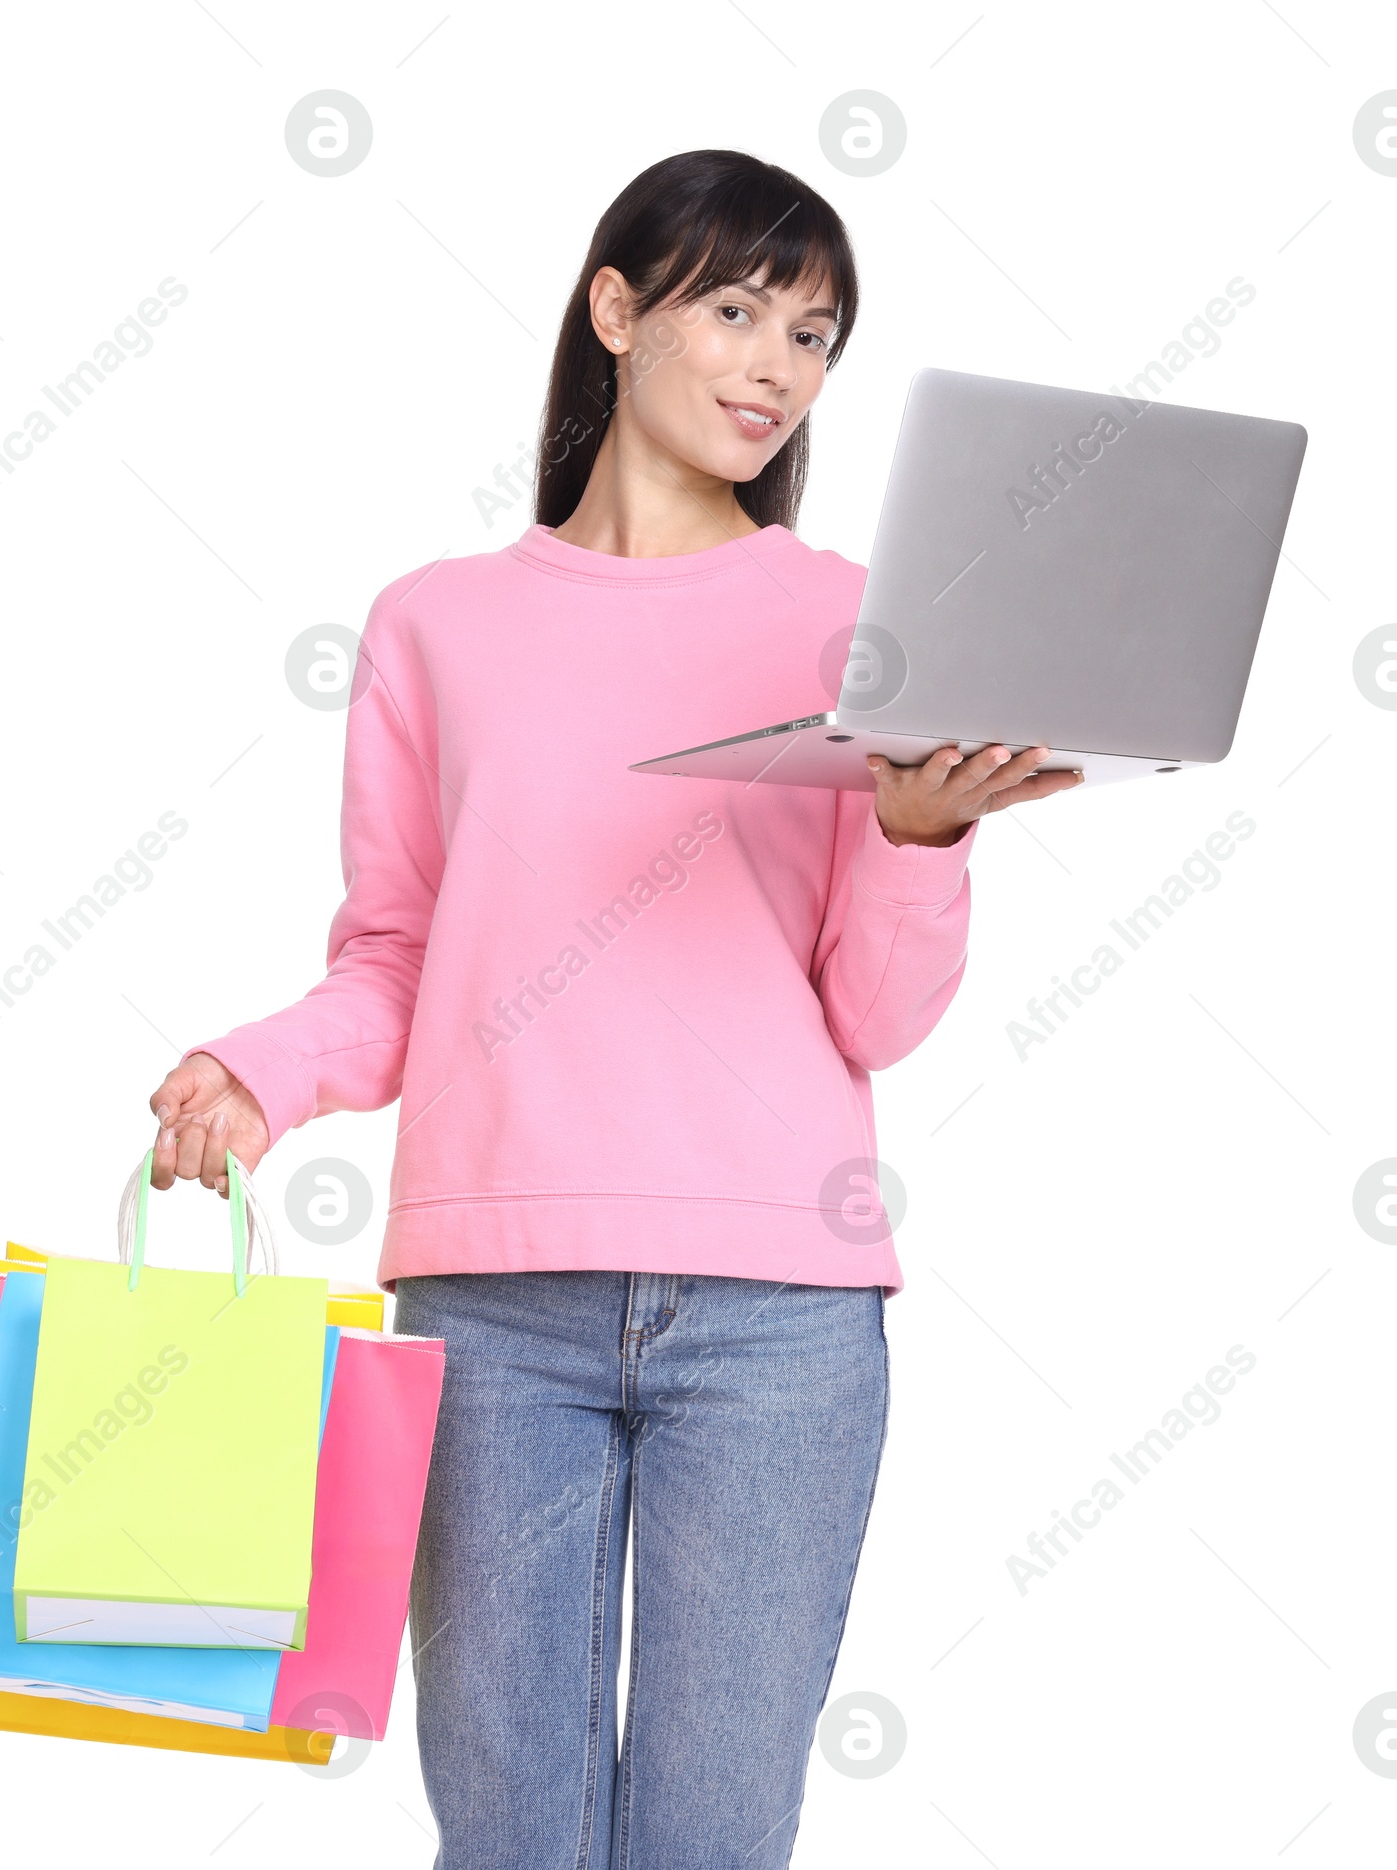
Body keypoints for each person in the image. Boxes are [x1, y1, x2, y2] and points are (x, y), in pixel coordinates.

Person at [147, 149, 1079, 1869]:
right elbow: (401, 961)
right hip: (492, 1308)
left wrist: (919, 833)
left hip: (783, 1318)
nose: (774, 366)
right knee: (508, 1841)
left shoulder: (861, 627)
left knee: (713, 1840)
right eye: (735, 308)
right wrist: (255, 1072)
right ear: (617, 311)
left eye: (813, 334)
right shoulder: (437, 626)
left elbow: (873, 1018)